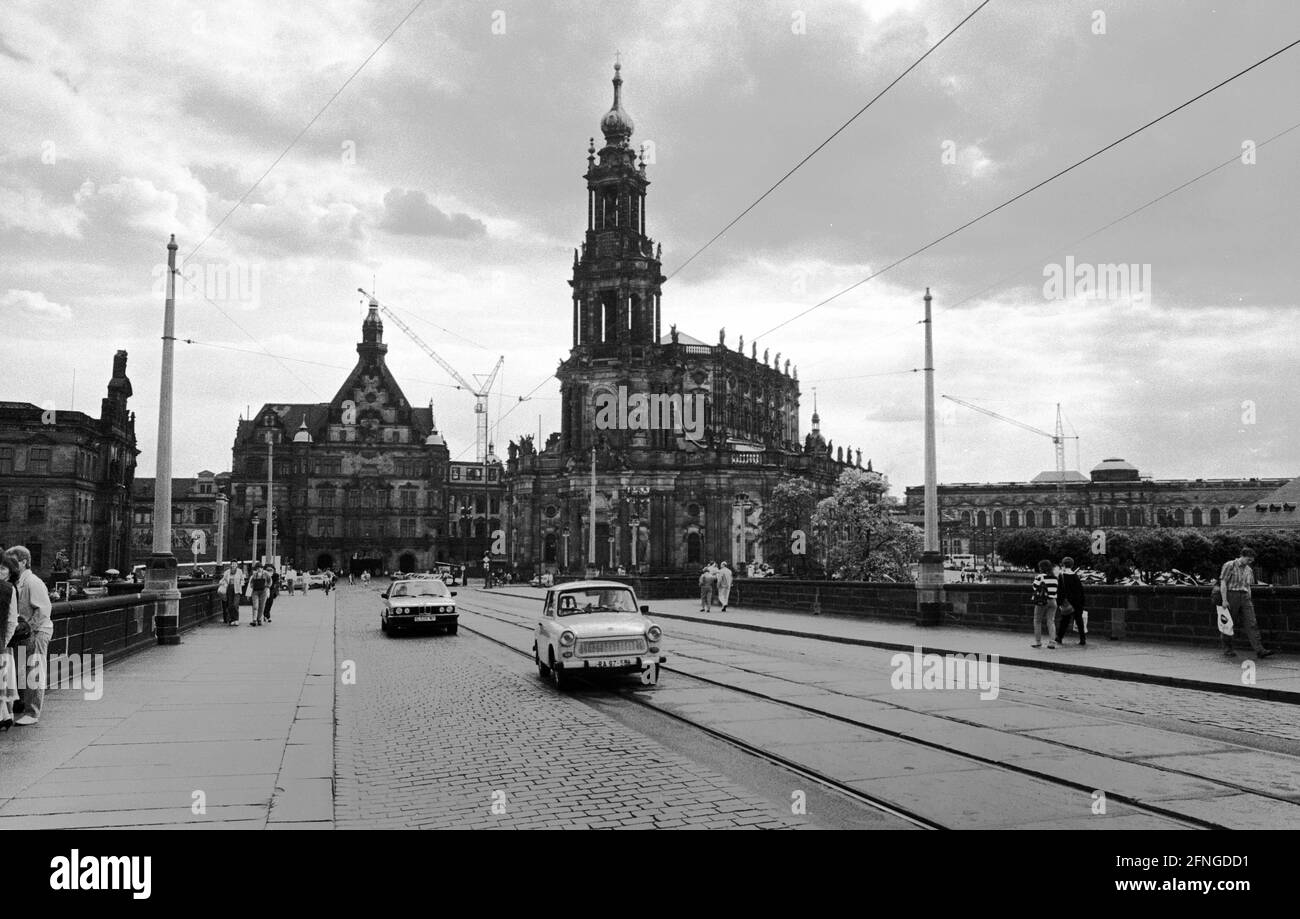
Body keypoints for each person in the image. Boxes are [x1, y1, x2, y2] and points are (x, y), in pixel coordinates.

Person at [7, 547, 52, 725]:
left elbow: (43, 611)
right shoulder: (20, 581)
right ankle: (25, 705)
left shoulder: (33, 582)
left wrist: (28, 629)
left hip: (38, 631)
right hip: (28, 631)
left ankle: (32, 712)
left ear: (24, 561)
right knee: (24, 669)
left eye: (13, 561)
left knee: (34, 670)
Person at [1217, 547, 1273, 659]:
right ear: (1242, 556)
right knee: (1228, 623)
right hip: (1231, 594)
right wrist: (1224, 600)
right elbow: (1223, 583)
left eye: (1251, 560)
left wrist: (1249, 598)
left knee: (1252, 622)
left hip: (1245, 596)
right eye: (1248, 559)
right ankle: (1228, 649)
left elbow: (1248, 586)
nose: (1250, 562)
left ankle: (1260, 650)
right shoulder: (1230, 565)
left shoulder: (1249, 570)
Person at [0, 553, 19, 731]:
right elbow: (13, 621)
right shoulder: (8, 589)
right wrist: (3, 641)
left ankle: (4, 715)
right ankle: (5, 715)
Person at [1055, 556, 1087, 646]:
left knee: (1064, 621)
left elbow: (1060, 590)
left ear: (1063, 564)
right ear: (1072, 565)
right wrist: (1082, 602)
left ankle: (1059, 637)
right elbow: (1081, 591)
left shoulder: (1061, 576)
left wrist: (1059, 602)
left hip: (1067, 602)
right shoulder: (1076, 576)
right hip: (1077, 602)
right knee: (1079, 620)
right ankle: (1082, 638)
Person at [1030, 558, 1058, 650]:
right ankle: (1052, 642)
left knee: (1037, 621)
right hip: (1053, 601)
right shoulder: (1055, 577)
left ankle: (1038, 642)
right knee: (1051, 621)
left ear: (1042, 568)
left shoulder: (1040, 576)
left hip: (1042, 601)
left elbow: (1034, 587)